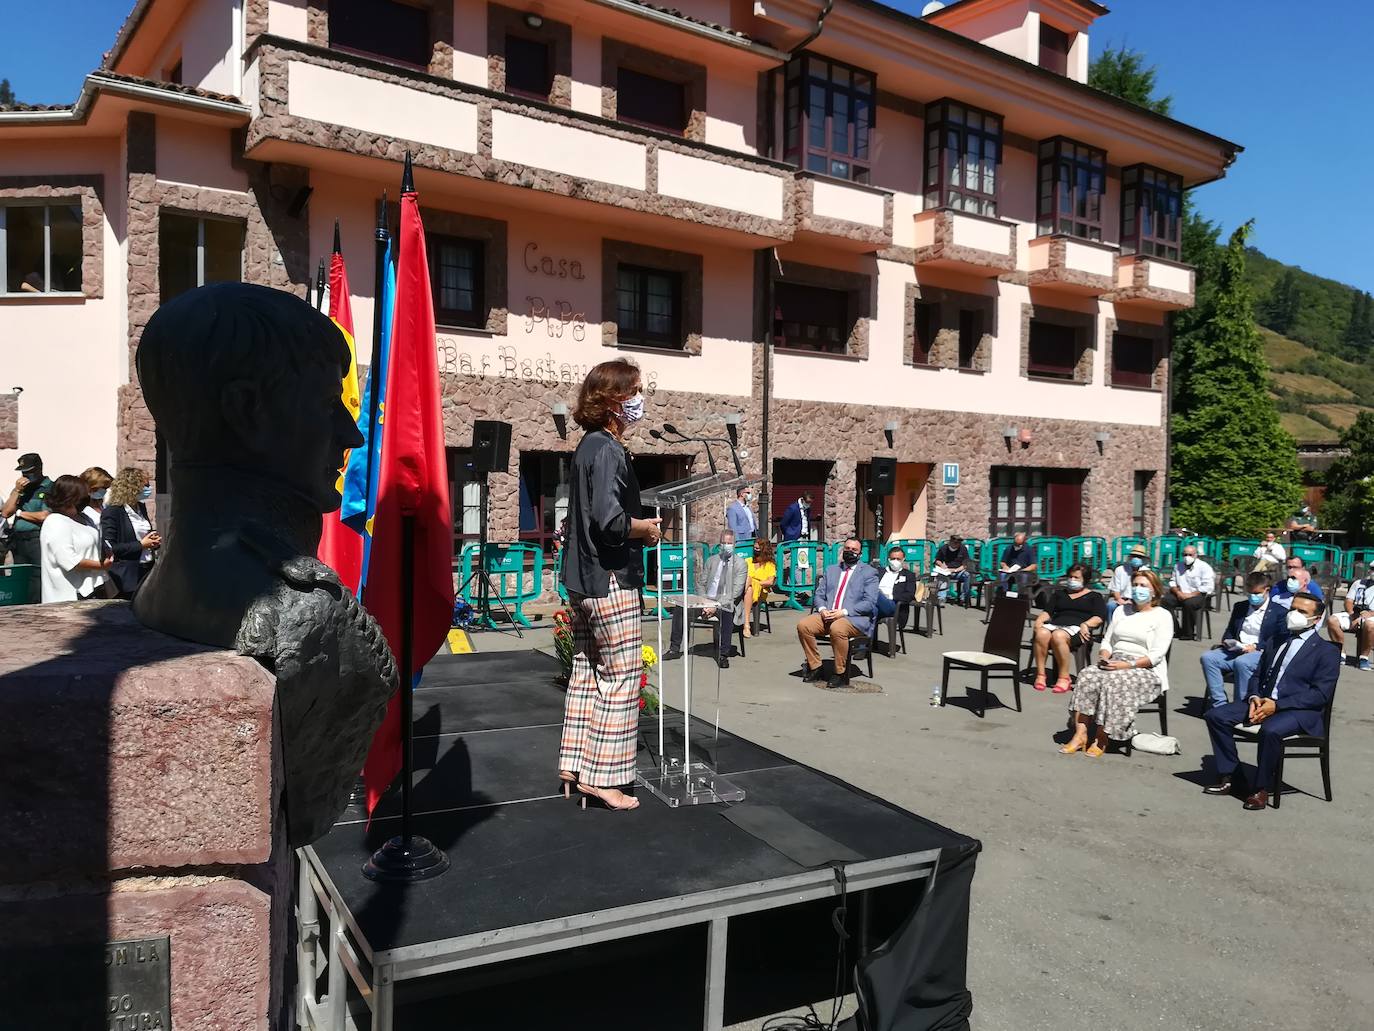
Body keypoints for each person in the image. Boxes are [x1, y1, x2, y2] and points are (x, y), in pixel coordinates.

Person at [558, 359, 661, 812]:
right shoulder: (609, 450)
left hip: (582, 580)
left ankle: (575, 765)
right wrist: (647, 528)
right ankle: (604, 779)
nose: (642, 400)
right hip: (610, 579)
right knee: (621, 677)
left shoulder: (587, 446)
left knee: (586, 671)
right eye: (636, 391)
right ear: (616, 400)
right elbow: (610, 521)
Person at [1203, 592, 1340, 810]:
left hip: (1298, 710)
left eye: (1302, 612)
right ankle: (1233, 777)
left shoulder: (1326, 651)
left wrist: (1277, 705)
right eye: (1293, 609)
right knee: (1216, 716)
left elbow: (1319, 695)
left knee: (1271, 730)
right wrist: (1256, 697)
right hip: (1263, 701)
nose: (1294, 614)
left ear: (1316, 619)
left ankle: (1261, 788)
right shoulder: (1276, 640)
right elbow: (1258, 674)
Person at [1060, 568, 1174, 756]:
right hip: (1115, 660)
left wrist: (1126, 665)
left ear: (1154, 590)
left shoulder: (1162, 616)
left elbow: (1156, 655)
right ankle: (1080, 733)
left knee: (1114, 682)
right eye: (1135, 585)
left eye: (1143, 586)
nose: (1138, 589)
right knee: (1087, 674)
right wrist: (1105, 655)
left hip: (1144, 667)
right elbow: (1108, 640)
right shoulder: (1122, 610)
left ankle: (1102, 736)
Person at [797, 536, 879, 689]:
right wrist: (822, 610)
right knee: (804, 625)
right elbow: (819, 594)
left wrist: (843, 612)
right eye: (847, 549)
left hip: (853, 618)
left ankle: (839, 673)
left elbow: (869, 603)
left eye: (854, 550)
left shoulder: (869, 573)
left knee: (838, 628)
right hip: (828, 615)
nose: (850, 552)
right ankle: (816, 667)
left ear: (860, 554)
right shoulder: (832, 569)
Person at [662, 530, 747, 668]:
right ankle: (674, 648)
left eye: (729, 543)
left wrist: (716, 605)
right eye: (724, 543)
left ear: (735, 544)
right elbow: (701, 583)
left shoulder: (740, 564)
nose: (726, 546)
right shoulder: (712, 560)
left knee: (727, 612)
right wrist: (704, 603)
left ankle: (723, 655)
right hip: (706, 601)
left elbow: (735, 592)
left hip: (726, 603)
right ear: (720, 544)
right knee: (680, 607)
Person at [1200, 572, 1286, 707]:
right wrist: (1228, 642)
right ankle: (1219, 704)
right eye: (1250, 593)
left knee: (1242, 663)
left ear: (1266, 590)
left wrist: (1257, 647)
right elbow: (1230, 631)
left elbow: (1278, 639)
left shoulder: (1279, 612)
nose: (1253, 597)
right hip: (1238, 648)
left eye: (1257, 593)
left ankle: (1241, 705)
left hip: (1260, 652)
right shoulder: (1240, 607)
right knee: (1208, 658)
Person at [1031, 563, 1107, 694]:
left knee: (1058, 635)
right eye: (1071, 577)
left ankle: (1064, 677)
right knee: (1042, 633)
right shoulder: (1059, 594)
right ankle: (1041, 674)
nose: (1072, 580)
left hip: (1077, 629)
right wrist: (1039, 621)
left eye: (1077, 577)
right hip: (1057, 624)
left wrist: (1086, 624)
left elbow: (1099, 617)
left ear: (1085, 579)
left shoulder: (1094, 596)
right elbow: (1047, 612)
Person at [39, 474, 113, 602]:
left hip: (93, 589)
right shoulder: (56, 522)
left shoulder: (83, 518)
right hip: (69, 596)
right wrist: (102, 565)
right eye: (83, 496)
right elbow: (69, 561)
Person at [101, 467, 162, 599]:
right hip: (127, 576)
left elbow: (142, 533)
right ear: (132, 487)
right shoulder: (113, 512)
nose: (148, 488)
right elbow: (111, 548)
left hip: (147, 568)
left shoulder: (141, 507)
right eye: (145, 485)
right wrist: (141, 544)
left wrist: (153, 540)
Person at [2, 453, 54, 568]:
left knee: (37, 575)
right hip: (18, 540)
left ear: (39, 469)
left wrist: (19, 513)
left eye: (29, 472)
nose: (26, 475)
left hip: (37, 539)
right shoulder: (21, 489)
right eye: (23, 472)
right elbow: (6, 512)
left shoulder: (50, 487)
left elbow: (44, 516)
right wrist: (17, 491)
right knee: (21, 576)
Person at [1161, 543, 1215, 641]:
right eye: (1185, 554)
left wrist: (1190, 595)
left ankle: (1188, 633)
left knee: (1189, 603)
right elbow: (1172, 582)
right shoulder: (1178, 566)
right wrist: (1178, 593)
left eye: (1190, 555)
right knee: (1164, 601)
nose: (1187, 557)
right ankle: (1175, 629)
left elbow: (1207, 587)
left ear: (1195, 555)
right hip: (1180, 593)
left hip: (1197, 595)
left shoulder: (1204, 567)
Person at [1327, 560, 1374, 671]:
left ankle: (1364, 658)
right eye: (1372, 569)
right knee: (1332, 620)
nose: (1372, 572)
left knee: (1370, 625)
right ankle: (1341, 653)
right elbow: (1348, 601)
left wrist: (1369, 614)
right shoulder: (1358, 583)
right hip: (1355, 614)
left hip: (1371, 616)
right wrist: (1352, 614)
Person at [741, 537, 776, 639]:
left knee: (750, 581)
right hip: (747, 589)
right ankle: (746, 625)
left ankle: (746, 624)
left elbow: (770, 581)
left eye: (758, 548)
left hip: (761, 590)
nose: (755, 549)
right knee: (749, 587)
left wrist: (756, 582)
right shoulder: (748, 561)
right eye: (754, 547)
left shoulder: (770, 564)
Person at [875, 544, 918, 625]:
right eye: (893, 558)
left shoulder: (908, 575)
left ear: (903, 559)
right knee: (872, 609)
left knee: (875, 595)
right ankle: (871, 637)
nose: (895, 561)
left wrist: (890, 596)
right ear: (888, 559)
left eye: (898, 559)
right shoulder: (879, 571)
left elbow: (910, 595)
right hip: (875, 604)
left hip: (894, 605)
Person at [1107, 544, 1150, 618]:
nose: (1136, 558)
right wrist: (1120, 600)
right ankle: (1111, 627)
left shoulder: (1147, 571)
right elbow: (1115, 589)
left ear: (1143, 559)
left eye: (1139, 557)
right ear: (1130, 557)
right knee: (1110, 606)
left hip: (1140, 601)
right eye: (1134, 556)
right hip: (1122, 599)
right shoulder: (1120, 569)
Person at [932, 534, 971, 605]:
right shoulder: (944, 548)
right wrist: (941, 565)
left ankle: (964, 598)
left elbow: (965, 564)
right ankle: (941, 598)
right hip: (946, 570)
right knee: (942, 576)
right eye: (954, 543)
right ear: (950, 542)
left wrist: (955, 570)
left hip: (958, 571)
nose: (956, 545)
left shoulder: (963, 549)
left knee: (967, 575)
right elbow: (937, 560)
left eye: (958, 543)